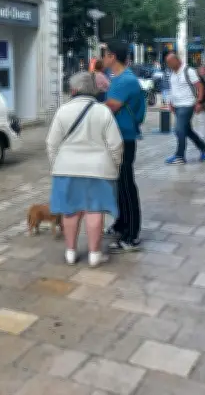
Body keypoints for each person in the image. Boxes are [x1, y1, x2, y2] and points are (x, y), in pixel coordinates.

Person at [47, 73, 123, 266]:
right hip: (98, 169)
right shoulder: (103, 111)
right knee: (94, 211)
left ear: (73, 90)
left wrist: (57, 164)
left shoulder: (62, 111)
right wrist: (114, 165)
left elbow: (52, 143)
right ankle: (94, 254)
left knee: (70, 211)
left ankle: (71, 252)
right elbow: (116, 144)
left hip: (66, 168)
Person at [103, 40, 146, 252]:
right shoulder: (119, 78)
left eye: (105, 54)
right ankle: (121, 223)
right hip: (118, 136)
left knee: (127, 184)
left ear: (113, 57)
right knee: (119, 183)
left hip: (124, 137)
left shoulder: (124, 80)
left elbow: (110, 107)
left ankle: (132, 235)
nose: (103, 57)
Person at [165, 53, 205, 164]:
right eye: (167, 63)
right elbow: (173, 89)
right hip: (177, 106)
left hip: (187, 105)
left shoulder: (188, 71)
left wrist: (199, 102)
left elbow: (200, 87)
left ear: (177, 60)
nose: (169, 65)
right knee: (187, 130)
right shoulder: (172, 74)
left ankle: (180, 156)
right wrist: (170, 102)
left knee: (178, 129)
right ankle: (204, 148)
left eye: (170, 62)